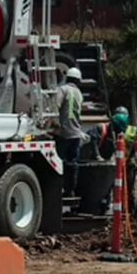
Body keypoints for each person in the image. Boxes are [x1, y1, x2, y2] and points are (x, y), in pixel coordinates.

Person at [54, 67, 84, 197]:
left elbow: (56, 106)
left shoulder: (63, 90)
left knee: (58, 162)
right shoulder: (79, 93)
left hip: (63, 133)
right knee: (72, 164)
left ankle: (57, 188)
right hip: (75, 133)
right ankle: (70, 190)